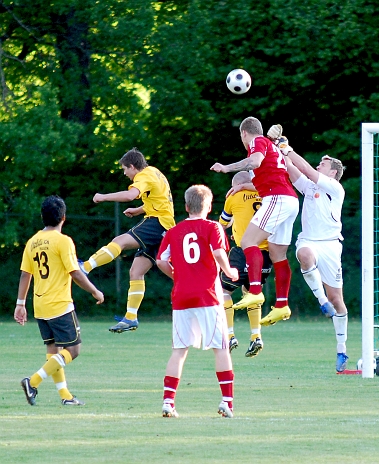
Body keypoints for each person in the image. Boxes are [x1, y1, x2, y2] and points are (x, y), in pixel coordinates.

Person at [155, 185, 238, 418]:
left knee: (179, 350)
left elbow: (161, 261)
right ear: (209, 207)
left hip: (181, 296)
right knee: (220, 347)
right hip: (208, 295)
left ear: (186, 206)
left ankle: (168, 402)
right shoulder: (213, 227)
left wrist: (177, 276)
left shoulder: (174, 231)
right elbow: (219, 252)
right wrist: (229, 270)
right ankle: (227, 402)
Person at [15, 195, 105, 406]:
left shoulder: (32, 242)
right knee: (73, 350)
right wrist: (94, 291)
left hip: (40, 306)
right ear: (63, 217)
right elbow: (75, 272)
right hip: (60, 304)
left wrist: (20, 304)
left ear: (42, 217)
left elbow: (25, 275)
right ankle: (33, 381)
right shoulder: (64, 241)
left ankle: (65, 397)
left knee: (53, 351)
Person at [210, 119, 298, 327]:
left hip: (276, 198)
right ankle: (282, 305)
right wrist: (244, 187)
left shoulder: (257, 141)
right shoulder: (272, 146)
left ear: (243, 133)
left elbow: (255, 162)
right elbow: (268, 175)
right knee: (278, 254)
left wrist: (226, 167)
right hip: (289, 199)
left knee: (248, 241)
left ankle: (256, 292)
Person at [80, 148, 175, 333]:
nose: (125, 174)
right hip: (164, 224)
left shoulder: (144, 176)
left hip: (158, 223)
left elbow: (130, 195)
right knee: (136, 271)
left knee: (120, 241)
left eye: (125, 169)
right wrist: (138, 210)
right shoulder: (154, 172)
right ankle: (131, 317)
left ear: (133, 166)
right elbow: (160, 199)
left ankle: (86, 268)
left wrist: (103, 197)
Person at [279, 136, 349, 372]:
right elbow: (291, 169)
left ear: (332, 173)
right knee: (305, 255)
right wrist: (277, 148)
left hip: (331, 246)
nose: (319, 165)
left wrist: (288, 148)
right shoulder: (310, 186)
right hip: (310, 241)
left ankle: (342, 350)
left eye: (324, 164)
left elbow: (305, 168)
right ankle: (322, 303)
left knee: (338, 300)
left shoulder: (335, 187)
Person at [219, 171, 273, 357]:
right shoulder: (265, 194)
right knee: (251, 292)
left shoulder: (233, 196)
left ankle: (229, 334)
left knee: (224, 291)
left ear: (235, 184)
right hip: (265, 253)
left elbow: (222, 223)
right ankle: (256, 336)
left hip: (244, 252)